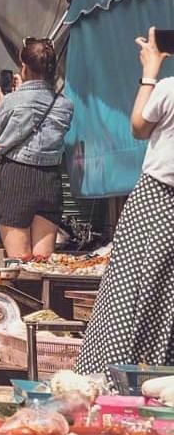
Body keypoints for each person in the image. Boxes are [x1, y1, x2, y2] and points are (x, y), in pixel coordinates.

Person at [78, 26, 174, 376]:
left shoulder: (167, 89)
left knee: (128, 291)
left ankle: (117, 375)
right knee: (164, 297)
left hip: (155, 200)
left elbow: (137, 126)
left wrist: (149, 73)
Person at [0, 37, 74, 262]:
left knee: (19, 262)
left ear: (24, 67)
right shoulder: (65, 105)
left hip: (16, 176)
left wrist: (7, 99)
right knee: (42, 262)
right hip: (49, 179)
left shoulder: (13, 101)